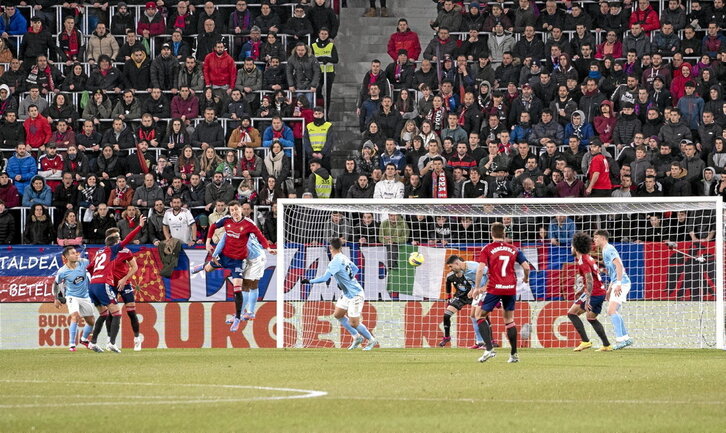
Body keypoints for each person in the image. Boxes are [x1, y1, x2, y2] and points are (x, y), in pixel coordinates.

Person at [202, 201, 273, 331]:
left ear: (241, 209)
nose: (234, 212)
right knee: (244, 286)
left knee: (250, 284)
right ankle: (241, 314)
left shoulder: (248, 224)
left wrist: (268, 248)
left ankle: (250, 312)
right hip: (247, 258)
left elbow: (261, 237)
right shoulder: (230, 226)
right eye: (232, 210)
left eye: (237, 209)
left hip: (257, 258)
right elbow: (222, 239)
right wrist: (213, 251)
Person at [301, 238, 378, 351]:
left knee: (354, 323)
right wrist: (345, 281)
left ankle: (371, 340)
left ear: (330, 248)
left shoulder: (334, 262)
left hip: (355, 294)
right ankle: (357, 337)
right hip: (347, 293)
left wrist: (309, 281)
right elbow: (355, 269)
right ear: (340, 248)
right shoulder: (343, 257)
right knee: (338, 314)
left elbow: (325, 278)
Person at [470, 222, 530, 363]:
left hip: (495, 287)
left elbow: (480, 269)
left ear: (491, 233)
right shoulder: (514, 249)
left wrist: (477, 287)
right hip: (510, 287)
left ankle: (489, 349)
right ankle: (514, 355)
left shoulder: (487, 249)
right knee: (509, 320)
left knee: (479, 315)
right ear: (504, 234)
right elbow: (526, 267)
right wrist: (526, 278)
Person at [87, 220, 145, 353]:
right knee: (111, 314)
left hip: (122, 283)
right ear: (111, 239)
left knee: (130, 312)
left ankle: (136, 339)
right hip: (108, 284)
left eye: (120, 237)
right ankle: (109, 341)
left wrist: (125, 279)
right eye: (117, 238)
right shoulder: (109, 250)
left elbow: (134, 267)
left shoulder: (123, 251)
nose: (120, 240)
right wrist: (140, 226)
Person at [568, 231, 612, 352]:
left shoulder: (583, 260)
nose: (571, 248)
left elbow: (590, 280)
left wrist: (587, 299)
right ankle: (607, 345)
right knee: (591, 318)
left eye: (572, 246)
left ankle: (585, 342)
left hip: (594, 293)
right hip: (600, 292)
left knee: (572, 313)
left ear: (576, 247)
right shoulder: (588, 258)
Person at [593, 229, 634, 350]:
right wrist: (609, 289)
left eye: (596, 238)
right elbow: (613, 271)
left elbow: (619, 265)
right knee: (613, 310)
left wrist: (619, 284)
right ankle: (625, 338)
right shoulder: (605, 249)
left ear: (603, 238)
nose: (594, 240)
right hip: (617, 283)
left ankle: (620, 340)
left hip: (622, 283)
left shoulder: (609, 249)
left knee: (611, 311)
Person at [440, 255, 489, 349]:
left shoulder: (474, 266)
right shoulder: (464, 271)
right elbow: (473, 282)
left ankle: (488, 342)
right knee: (473, 316)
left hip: (486, 290)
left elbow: (491, 274)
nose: (450, 269)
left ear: (457, 263)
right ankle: (480, 342)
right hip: (477, 291)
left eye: (451, 266)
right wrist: (472, 290)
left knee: (479, 316)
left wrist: (485, 287)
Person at [53, 246, 97, 351]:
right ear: (67, 257)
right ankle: (72, 345)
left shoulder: (84, 262)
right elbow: (56, 284)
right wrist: (56, 298)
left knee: (91, 321)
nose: (76, 254)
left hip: (85, 296)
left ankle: (84, 339)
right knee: (75, 316)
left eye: (76, 252)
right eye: (73, 253)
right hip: (72, 296)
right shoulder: (62, 271)